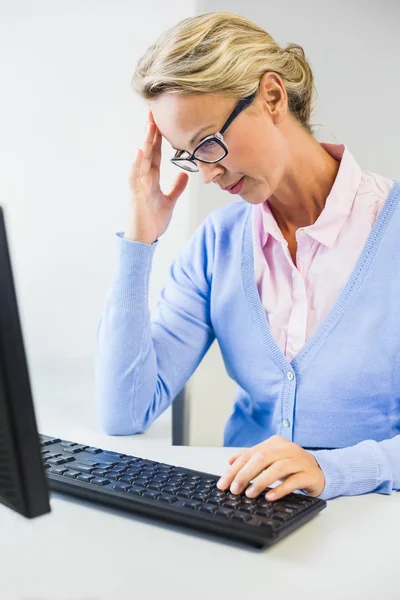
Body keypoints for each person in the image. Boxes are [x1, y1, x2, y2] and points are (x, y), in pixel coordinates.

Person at [95, 12, 400, 502]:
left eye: (209, 143)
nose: (207, 175)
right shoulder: (217, 245)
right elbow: (123, 410)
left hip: (373, 530)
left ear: (272, 97)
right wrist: (139, 239)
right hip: (243, 520)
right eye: (188, 155)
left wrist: (332, 469)